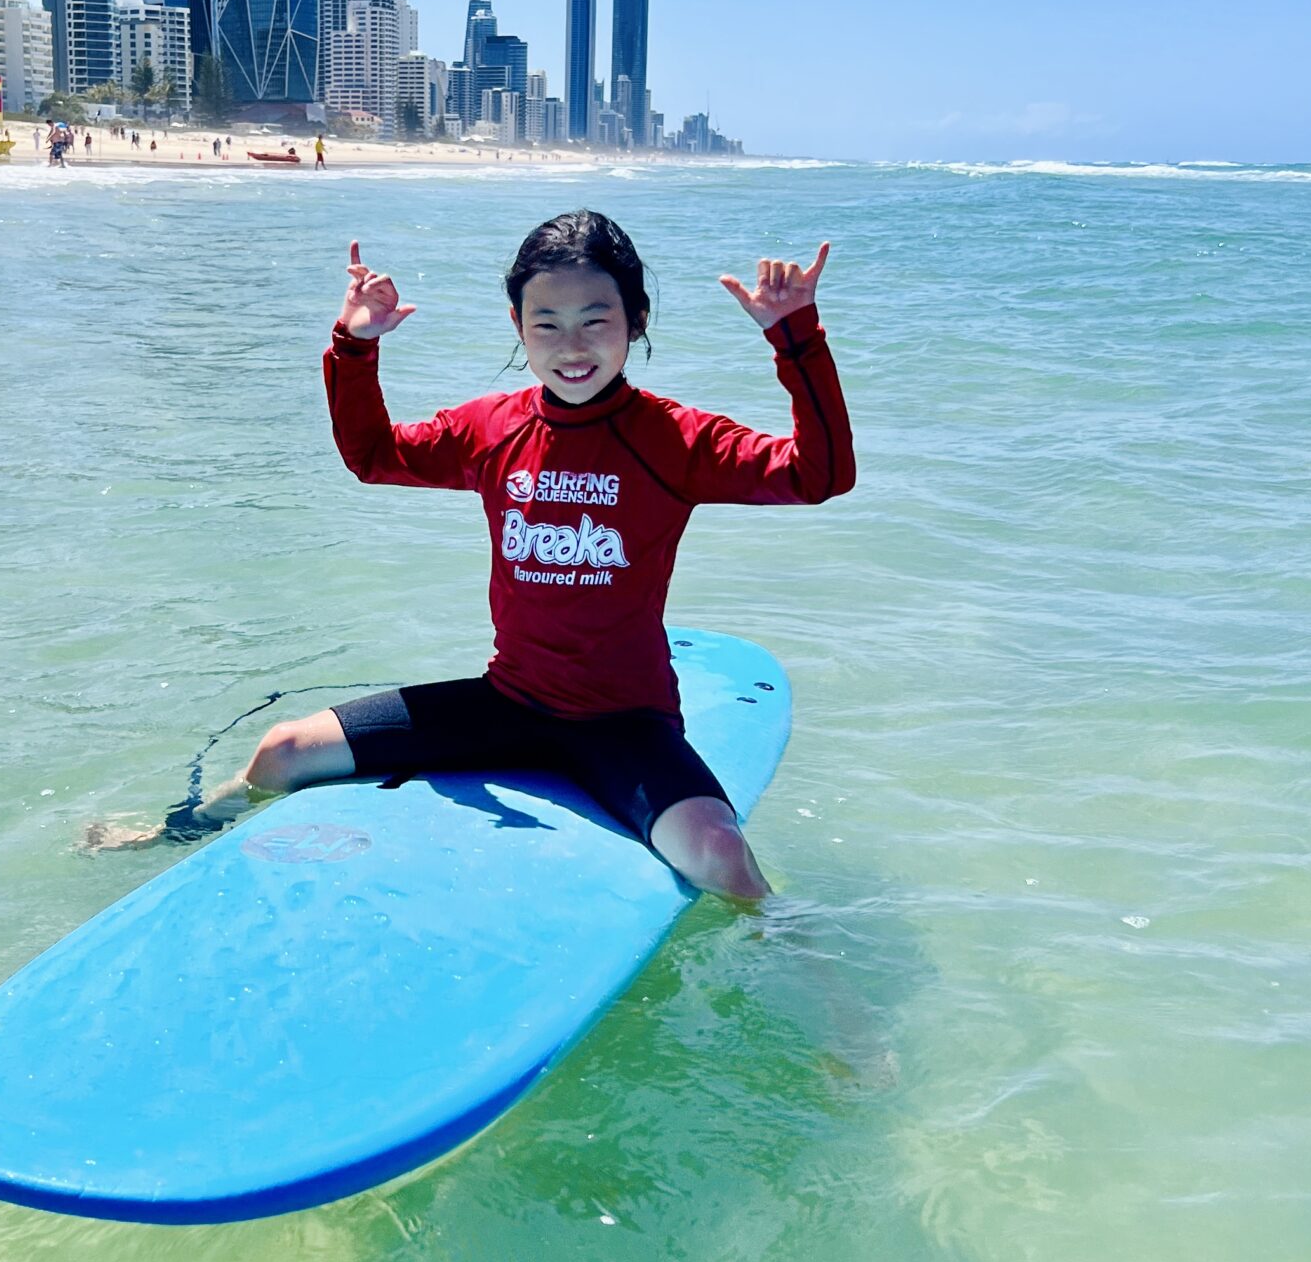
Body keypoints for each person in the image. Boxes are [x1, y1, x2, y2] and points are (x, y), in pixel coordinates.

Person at [87, 209, 853, 896]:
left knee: (721, 858)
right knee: (282, 749)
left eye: (596, 319)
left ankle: (816, 988)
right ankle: (178, 833)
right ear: (518, 327)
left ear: (636, 319)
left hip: (626, 725)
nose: (572, 345)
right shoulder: (494, 429)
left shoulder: (674, 440)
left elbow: (818, 476)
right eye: (546, 322)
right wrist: (354, 346)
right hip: (509, 701)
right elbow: (373, 455)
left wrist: (795, 337)